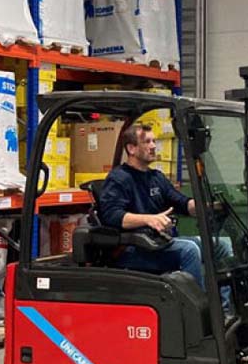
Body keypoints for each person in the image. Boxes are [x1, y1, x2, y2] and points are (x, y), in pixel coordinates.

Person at [97, 122, 232, 301]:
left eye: (154, 141)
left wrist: (210, 206)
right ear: (131, 148)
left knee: (222, 246)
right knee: (189, 250)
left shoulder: (156, 177)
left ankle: (224, 308)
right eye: (147, 142)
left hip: (158, 242)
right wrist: (148, 219)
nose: (153, 146)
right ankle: (197, 311)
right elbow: (112, 215)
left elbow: (181, 203)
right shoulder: (119, 178)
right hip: (134, 248)